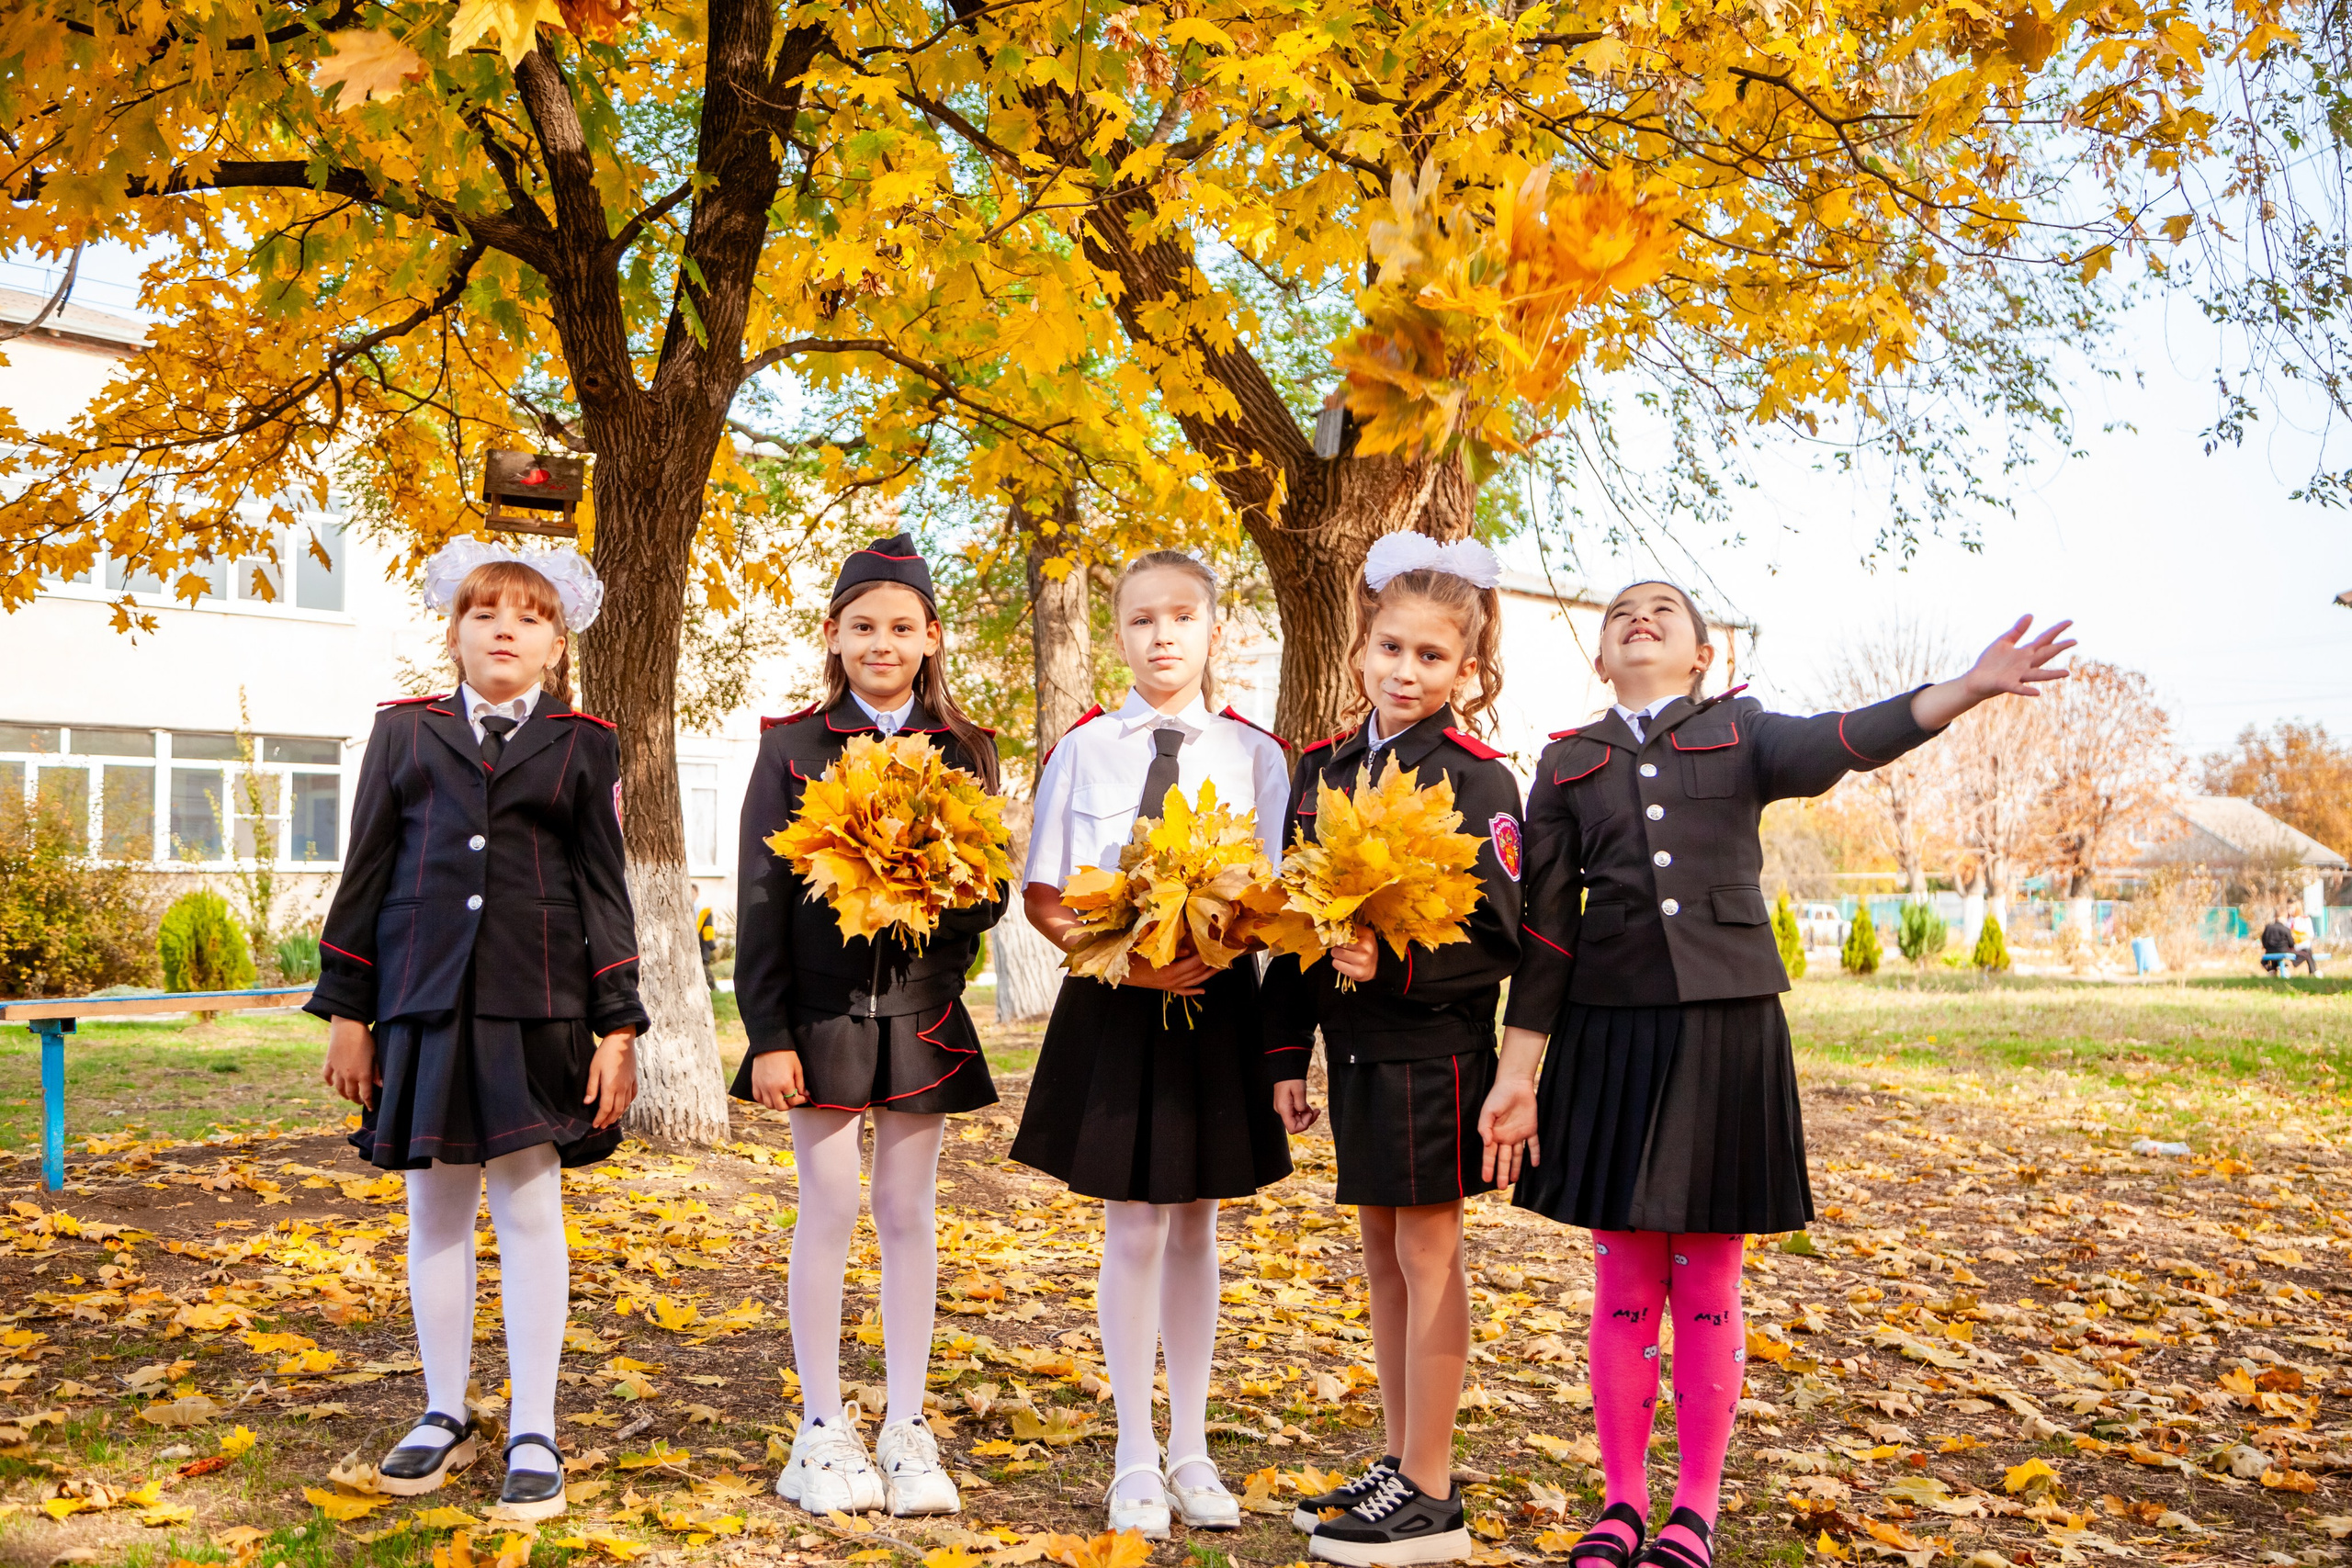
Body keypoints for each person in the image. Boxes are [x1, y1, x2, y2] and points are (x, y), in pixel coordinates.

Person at [1478, 584, 2074, 1568]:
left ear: (1702, 656)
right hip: (1607, 1034)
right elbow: (1544, 928)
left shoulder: (1744, 731)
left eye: (1663, 611)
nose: (1639, 617)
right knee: (1624, 1273)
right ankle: (1620, 1505)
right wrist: (1518, 1072)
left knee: (1706, 1270)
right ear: (1597, 662)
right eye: (1621, 611)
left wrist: (1964, 689)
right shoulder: (1565, 760)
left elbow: (1848, 735)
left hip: (1727, 1030)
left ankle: (1694, 1512)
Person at [311, 540, 644, 1523]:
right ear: (452, 631)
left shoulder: (585, 743)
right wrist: (348, 1011)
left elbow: (605, 889)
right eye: (486, 612)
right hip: (419, 1004)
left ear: (556, 641)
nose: (506, 628)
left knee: (530, 1211)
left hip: (536, 1008)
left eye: (530, 617)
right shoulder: (404, 734)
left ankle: (534, 1422)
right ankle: (442, 1409)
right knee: (435, 1214)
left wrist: (617, 1026)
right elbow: (366, 871)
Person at [1011, 549, 1295, 1539]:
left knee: (1197, 1226)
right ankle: (1134, 1451)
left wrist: (1220, 943)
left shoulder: (1258, 756)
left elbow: (1273, 899)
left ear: (1215, 631)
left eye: (1181, 617)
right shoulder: (1083, 751)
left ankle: (1191, 1446)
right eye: (1140, 620)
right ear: (1118, 634)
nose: (1162, 635)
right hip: (1118, 1001)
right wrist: (1132, 966)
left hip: (1217, 1005)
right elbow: (1044, 895)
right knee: (1132, 1226)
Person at [1261, 534, 1523, 1567]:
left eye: (1430, 657)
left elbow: (1497, 936)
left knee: (1429, 1255)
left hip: (1432, 1050)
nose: (1405, 672)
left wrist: (1398, 971)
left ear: (1466, 671)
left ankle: (1431, 1492)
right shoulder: (1322, 768)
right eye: (1390, 649)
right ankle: (1397, 1459)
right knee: (1381, 1259)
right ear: (1361, 649)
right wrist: (1288, 1052)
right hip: (1354, 1052)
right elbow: (1294, 917)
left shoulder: (1478, 780)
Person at [736, 534, 1007, 1517]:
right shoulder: (791, 747)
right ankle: (819, 1427)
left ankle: (904, 1423)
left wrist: (942, 887)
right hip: (817, 1018)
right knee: (829, 1207)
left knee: (906, 1214)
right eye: (863, 626)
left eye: (901, 627)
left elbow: (994, 897)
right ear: (834, 636)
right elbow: (761, 902)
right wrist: (767, 1034)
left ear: (931, 638)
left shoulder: (966, 749)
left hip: (923, 1014)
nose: (882, 643)